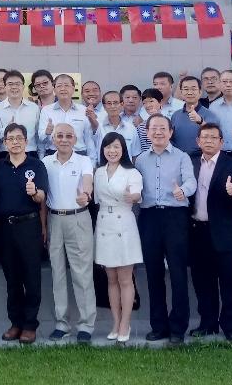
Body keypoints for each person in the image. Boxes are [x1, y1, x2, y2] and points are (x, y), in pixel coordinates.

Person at [134, 113, 196, 343]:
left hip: (175, 216)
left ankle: (178, 327)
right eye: (154, 129)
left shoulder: (182, 157)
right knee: (153, 272)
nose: (158, 133)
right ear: (147, 133)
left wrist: (184, 191)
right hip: (149, 217)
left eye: (163, 129)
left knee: (178, 271)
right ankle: (158, 326)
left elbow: (191, 181)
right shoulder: (140, 159)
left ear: (171, 132)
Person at [189, 123, 232, 341]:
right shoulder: (191, 162)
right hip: (197, 231)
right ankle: (208, 323)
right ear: (198, 141)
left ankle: (231, 326)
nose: (208, 141)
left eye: (213, 137)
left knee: (228, 281)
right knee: (202, 281)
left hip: (225, 232)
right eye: (204, 137)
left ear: (221, 142)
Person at [0, 122, 49, 344]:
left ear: (26, 141)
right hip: (5, 228)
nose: (15, 142)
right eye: (10, 139)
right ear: (5, 142)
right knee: (12, 279)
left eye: (19, 138)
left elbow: (42, 197)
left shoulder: (36, 165)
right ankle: (15, 323)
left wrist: (35, 194)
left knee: (31, 278)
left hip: (29, 226)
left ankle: (30, 325)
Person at [42, 123, 96, 342]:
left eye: (68, 136)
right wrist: (44, 226)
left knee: (82, 274)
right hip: (54, 219)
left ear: (75, 139)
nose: (64, 139)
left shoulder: (84, 161)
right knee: (57, 273)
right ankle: (61, 324)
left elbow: (87, 183)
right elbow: (43, 198)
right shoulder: (46, 162)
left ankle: (86, 325)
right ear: (53, 139)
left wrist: (86, 195)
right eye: (60, 136)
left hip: (78, 218)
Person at [94, 132, 142, 342]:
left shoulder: (132, 172)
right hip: (104, 222)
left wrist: (133, 196)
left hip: (124, 223)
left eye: (116, 147)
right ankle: (115, 322)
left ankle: (125, 324)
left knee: (125, 279)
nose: (112, 151)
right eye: (108, 147)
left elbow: (137, 194)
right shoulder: (98, 172)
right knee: (110, 279)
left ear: (123, 150)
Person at [37, 74, 98, 156]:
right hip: (53, 155)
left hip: (79, 155)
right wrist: (47, 132)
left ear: (73, 89)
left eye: (66, 85)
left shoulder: (83, 110)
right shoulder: (46, 110)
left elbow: (89, 139)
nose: (63, 89)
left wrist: (92, 162)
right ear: (54, 90)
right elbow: (41, 139)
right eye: (59, 86)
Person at [0, 70, 41, 159]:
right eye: (10, 84)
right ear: (5, 87)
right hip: (5, 155)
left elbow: (38, 135)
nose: (14, 87)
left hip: (30, 153)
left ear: (23, 86)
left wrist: (41, 156)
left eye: (17, 84)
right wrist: (7, 129)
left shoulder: (34, 108)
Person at [169, 76, 219, 158]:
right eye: (186, 89)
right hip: (178, 159)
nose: (189, 92)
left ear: (200, 92)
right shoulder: (176, 115)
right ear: (181, 93)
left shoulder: (210, 115)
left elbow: (214, 137)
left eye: (193, 89)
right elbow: (171, 138)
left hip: (201, 159)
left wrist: (201, 121)